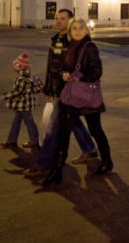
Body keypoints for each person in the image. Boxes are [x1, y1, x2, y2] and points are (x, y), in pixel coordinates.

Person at [42, 18, 113, 186]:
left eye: (81, 28)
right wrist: (64, 75)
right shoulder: (70, 47)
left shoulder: (90, 47)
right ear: (70, 31)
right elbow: (64, 68)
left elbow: (96, 72)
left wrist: (76, 77)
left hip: (87, 96)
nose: (78, 31)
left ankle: (107, 160)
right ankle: (56, 171)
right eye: (74, 28)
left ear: (86, 30)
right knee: (63, 134)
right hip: (70, 97)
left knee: (95, 130)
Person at [30, 9, 98, 178]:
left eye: (62, 19)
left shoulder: (73, 42)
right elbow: (51, 67)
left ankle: (45, 163)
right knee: (73, 121)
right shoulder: (55, 40)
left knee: (54, 126)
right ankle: (89, 149)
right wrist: (49, 89)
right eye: (56, 18)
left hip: (69, 91)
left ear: (70, 21)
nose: (58, 21)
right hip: (59, 90)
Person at [0, 52, 43, 148]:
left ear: (20, 67)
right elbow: (38, 88)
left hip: (23, 105)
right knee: (17, 122)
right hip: (25, 104)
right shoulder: (31, 75)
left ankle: (34, 141)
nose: (13, 67)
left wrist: (5, 96)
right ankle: (12, 140)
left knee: (29, 123)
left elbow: (17, 92)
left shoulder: (21, 79)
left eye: (15, 66)